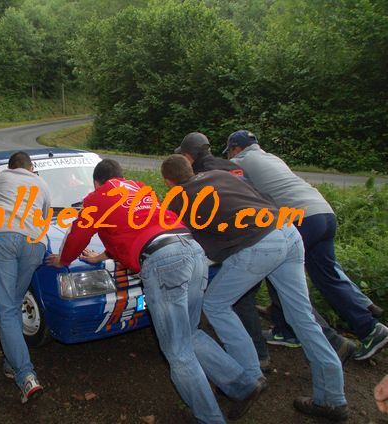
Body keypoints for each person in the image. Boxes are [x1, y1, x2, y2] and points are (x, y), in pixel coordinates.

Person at [48, 159, 266, 423]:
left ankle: (210, 418)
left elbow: (79, 234)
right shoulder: (140, 189)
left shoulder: (97, 198)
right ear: (121, 176)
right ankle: (243, 385)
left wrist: (64, 259)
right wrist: (103, 255)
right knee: (190, 332)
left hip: (164, 263)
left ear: (97, 182)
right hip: (193, 251)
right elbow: (137, 229)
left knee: (178, 352)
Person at [161, 154, 349, 421]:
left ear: (168, 182)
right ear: (190, 168)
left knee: (215, 304)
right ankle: (332, 398)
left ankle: (249, 378)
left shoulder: (179, 200)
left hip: (260, 244)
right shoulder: (221, 175)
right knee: (302, 317)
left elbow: (189, 245)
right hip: (287, 231)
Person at [174, 132, 358, 367]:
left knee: (237, 298)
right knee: (287, 296)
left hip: (251, 240)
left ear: (189, 156)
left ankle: (256, 358)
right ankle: (331, 343)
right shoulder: (229, 165)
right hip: (279, 228)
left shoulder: (201, 176)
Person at [225, 130, 387, 361]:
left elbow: (226, 183)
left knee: (277, 274)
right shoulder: (271, 157)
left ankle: (304, 334)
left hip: (301, 218)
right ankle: (370, 329)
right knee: (326, 276)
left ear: (235, 148)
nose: (230, 156)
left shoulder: (240, 161)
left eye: (230, 151)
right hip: (323, 212)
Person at [0, 151, 51, 404]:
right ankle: (12, 363)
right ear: (31, 167)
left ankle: (26, 376)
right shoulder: (42, 183)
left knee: (7, 310)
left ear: (10, 166)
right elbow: (44, 217)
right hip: (35, 243)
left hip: (2, 237)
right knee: (12, 304)